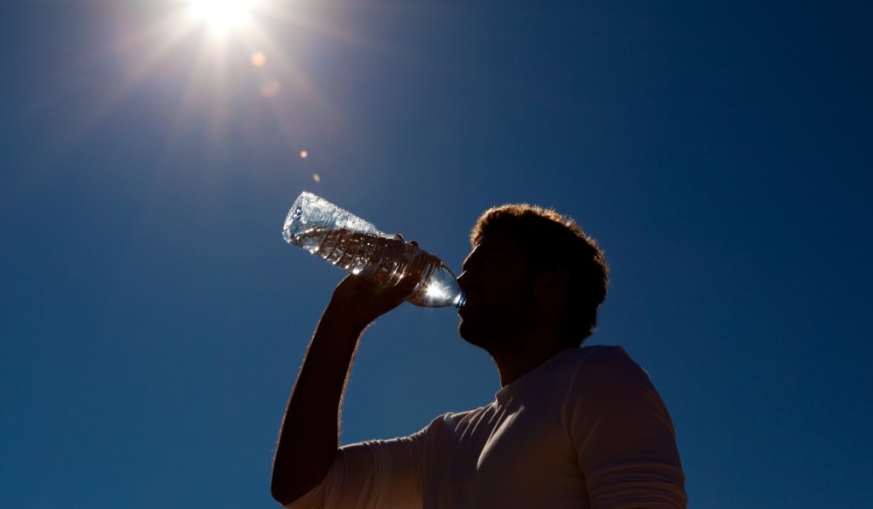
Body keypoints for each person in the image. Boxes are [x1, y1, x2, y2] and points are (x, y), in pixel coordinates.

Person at [271, 204, 687, 508]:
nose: (464, 279)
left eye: (489, 264)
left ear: (550, 284)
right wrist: (343, 319)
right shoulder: (444, 442)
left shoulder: (599, 376)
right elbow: (304, 488)